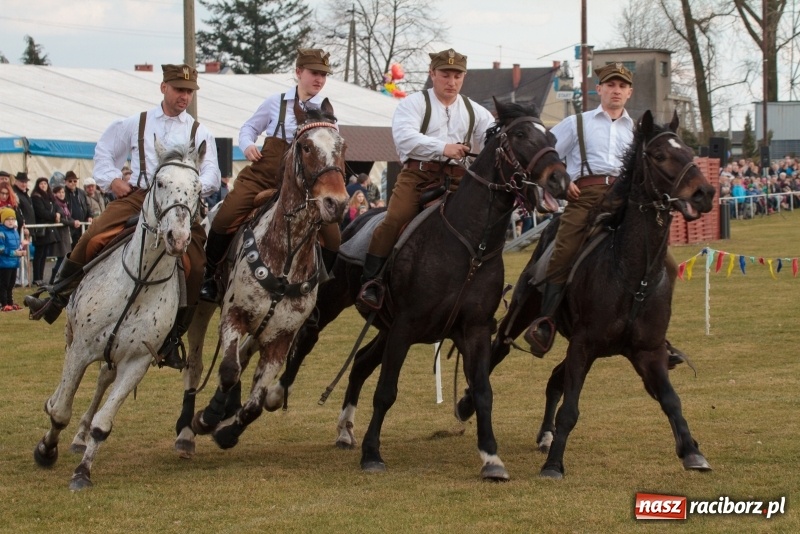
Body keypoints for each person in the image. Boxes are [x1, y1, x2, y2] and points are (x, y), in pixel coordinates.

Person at [25, 63, 220, 370]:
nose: (185, 96)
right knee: (92, 237)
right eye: (180, 90)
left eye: (189, 91)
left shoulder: (199, 130)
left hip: (178, 205)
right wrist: (113, 179)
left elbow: (212, 172)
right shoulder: (135, 122)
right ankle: (55, 298)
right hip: (138, 198)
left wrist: (191, 186)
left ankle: (172, 338)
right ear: (164, 88)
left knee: (196, 264)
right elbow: (104, 152)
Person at [357, 48, 495, 310]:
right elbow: (405, 137)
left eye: (457, 75)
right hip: (417, 176)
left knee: (486, 224)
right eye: (445, 74)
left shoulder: (476, 112)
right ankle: (371, 281)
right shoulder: (412, 104)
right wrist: (443, 148)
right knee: (395, 219)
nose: (451, 81)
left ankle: (481, 288)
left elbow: (491, 140)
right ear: (432, 74)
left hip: (459, 180)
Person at [200, 48, 340, 303]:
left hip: (304, 187)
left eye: (323, 75)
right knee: (223, 218)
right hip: (265, 175)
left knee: (333, 238)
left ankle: (316, 288)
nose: (319, 79)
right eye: (314, 73)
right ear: (299, 72)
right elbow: (249, 128)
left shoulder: (326, 114)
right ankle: (208, 277)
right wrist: (248, 145)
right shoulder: (276, 103)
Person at [29, 177, 59, 286]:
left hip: (48, 229)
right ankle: (36, 278)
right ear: (38, 185)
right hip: (41, 229)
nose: (43, 186)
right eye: (41, 183)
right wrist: (53, 216)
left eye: (45, 183)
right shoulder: (36, 197)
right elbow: (41, 212)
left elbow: (55, 207)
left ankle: (40, 278)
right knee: (39, 254)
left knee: (44, 254)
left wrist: (57, 214)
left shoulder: (50, 197)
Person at [50, 184, 80, 283]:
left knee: (64, 257)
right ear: (55, 194)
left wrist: (74, 221)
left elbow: (68, 217)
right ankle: (54, 278)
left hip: (66, 233)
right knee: (61, 257)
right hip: (60, 233)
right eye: (59, 192)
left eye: (63, 192)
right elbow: (61, 220)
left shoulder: (64, 204)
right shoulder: (55, 204)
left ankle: (57, 278)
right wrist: (72, 223)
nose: (61, 194)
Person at [0, 208, 25, 310]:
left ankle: (10, 302)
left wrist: (21, 249)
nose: (10, 221)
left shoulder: (15, 232)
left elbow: (17, 245)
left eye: (12, 219)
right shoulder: (1, 233)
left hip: (14, 263)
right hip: (4, 263)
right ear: (3, 220)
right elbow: (1, 249)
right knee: (3, 284)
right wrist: (15, 253)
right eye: (8, 219)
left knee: (11, 284)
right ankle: (4, 303)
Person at [63, 170, 92, 248]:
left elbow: (87, 205)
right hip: (71, 226)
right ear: (65, 182)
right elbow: (63, 209)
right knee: (71, 249)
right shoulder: (63, 193)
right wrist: (72, 221)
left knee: (82, 247)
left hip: (82, 225)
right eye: (70, 181)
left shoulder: (81, 192)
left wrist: (90, 216)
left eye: (75, 181)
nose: (73, 183)